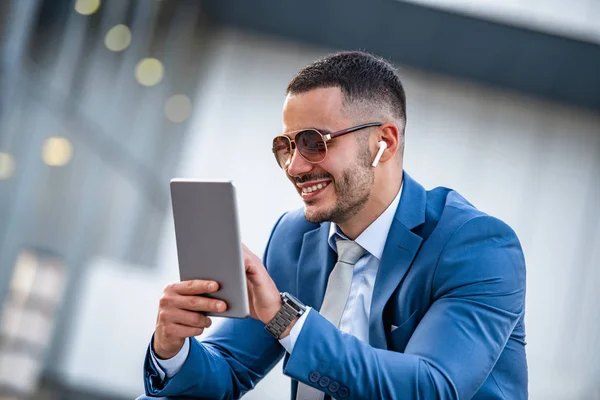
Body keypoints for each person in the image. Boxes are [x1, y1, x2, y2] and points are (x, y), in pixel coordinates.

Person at [138, 51, 527, 400]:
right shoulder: (294, 237)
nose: (294, 167)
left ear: (384, 143)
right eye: (286, 146)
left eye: (313, 142)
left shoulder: (478, 246)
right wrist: (172, 348)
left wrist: (285, 320)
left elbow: (431, 387)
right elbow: (228, 371)